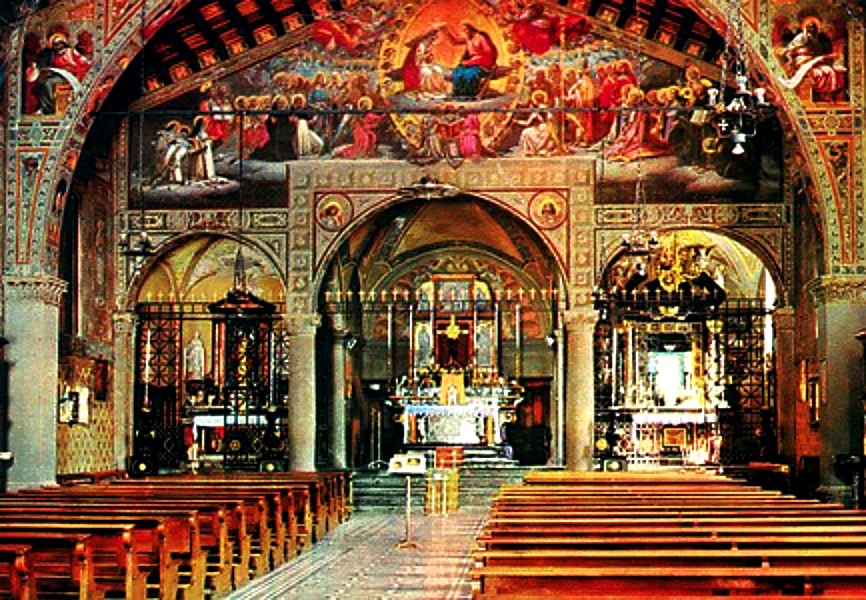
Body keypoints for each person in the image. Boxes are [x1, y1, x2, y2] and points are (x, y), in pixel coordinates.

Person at [440, 21, 498, 98]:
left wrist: (473, 61)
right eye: (464, 31)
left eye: (466, 30)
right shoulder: (468, 38)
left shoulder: (481, 38)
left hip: (483, 63)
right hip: (472, 63)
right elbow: (455, 41)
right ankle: (458, 94)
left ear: (471, 28)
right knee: (458, 72)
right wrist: (446, 31)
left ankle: (469, 94)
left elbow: (489, 53)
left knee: (469, 74)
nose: (465, 32)